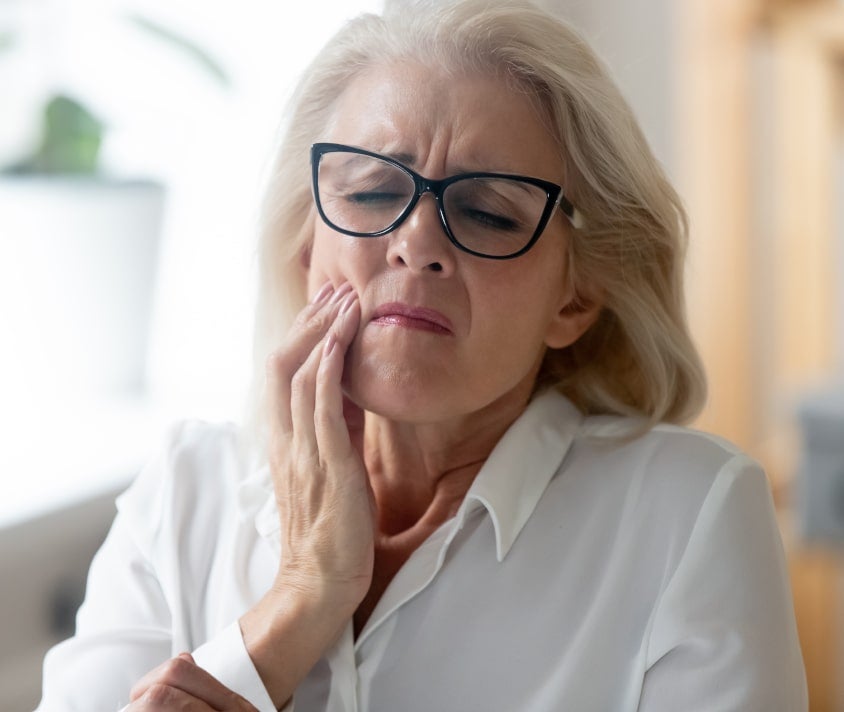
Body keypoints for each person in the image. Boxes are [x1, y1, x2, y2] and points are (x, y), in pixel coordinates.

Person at [37, 0, 808, 710]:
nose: (416, 243)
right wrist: (299, 602)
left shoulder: (687, 515)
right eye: (372, 192)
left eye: (487, 212)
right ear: (307, 245)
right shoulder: (185, 492)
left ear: (574, 299)